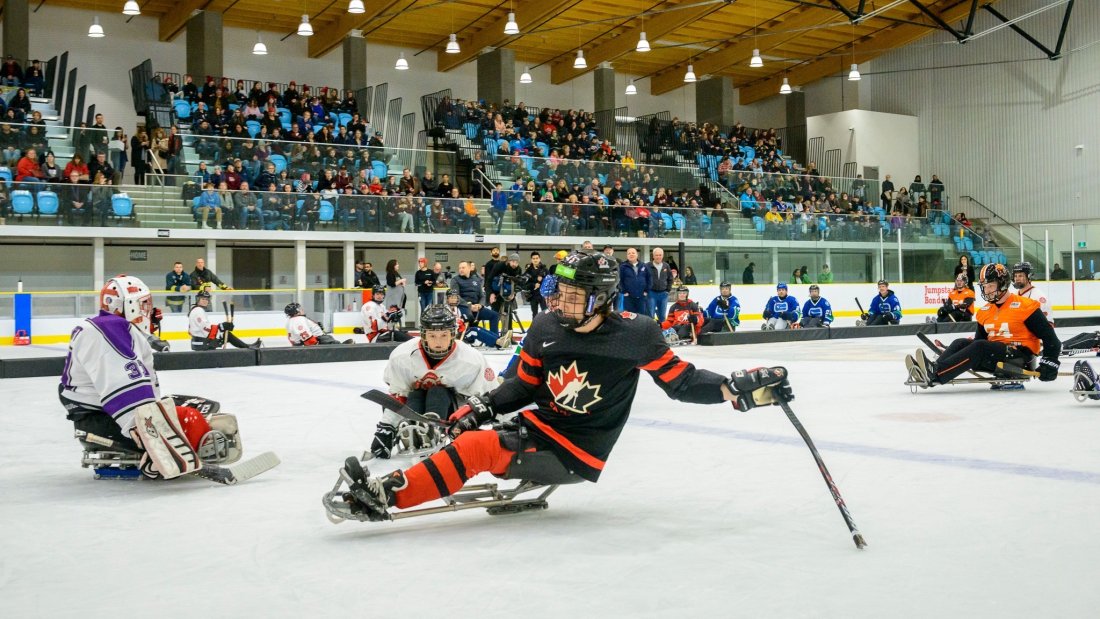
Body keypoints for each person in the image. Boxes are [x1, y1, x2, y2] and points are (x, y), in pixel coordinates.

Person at [325, 250, 795, 523]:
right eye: (560, 291)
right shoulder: (546, 326)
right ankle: (419, 466)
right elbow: (523, 385)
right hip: (539, 424)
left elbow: (682, 382)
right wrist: (482, 407)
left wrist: (737, 389)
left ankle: (384, 495)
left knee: (474, 450)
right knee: (471, 431)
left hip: (577, 451)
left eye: (573, 294)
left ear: (602, 298)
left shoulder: (637, 333)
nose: (559, 300)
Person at [59, 275, 235, 480]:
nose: (147, 310)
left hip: (100, 412)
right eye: (143, 304)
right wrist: (151, 439)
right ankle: (179, 446)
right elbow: (124, 391)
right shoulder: (107, 329)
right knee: (192, 419)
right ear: (126, 304)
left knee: (204, 406)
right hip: (100, 419)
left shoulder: (116, 328)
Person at [369, 304, 498, 459]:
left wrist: (502, 427)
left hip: (453, 413)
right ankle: (412, 426)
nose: (438, 342)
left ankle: (433, 426)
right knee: (416, 393)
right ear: (423, 335)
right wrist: (385, 427)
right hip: (413, 403)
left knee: (438, 391)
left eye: (444, 335)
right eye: (432, 336)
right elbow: (399, 394)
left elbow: (487, 398)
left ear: (452, 334)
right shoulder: (402, 356)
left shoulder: (471, 360)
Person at [907, 264, 1060, 388]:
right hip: (996, 357)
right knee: (961, 342)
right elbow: (978, 342)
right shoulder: (985, 311)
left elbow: (1051, 338)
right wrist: (958, 353)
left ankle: (937, 372)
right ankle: (934, 369)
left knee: (980, 346)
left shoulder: (1026, 306)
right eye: (984, 287)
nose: (987, 291)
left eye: (991, 286)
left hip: (1020, 358)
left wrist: (1050, 362)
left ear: (1003, 284)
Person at [187, 288, 261, 351]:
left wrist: (221, 327)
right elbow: (206, 328)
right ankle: (247, 347)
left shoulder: (196, 309)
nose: (205, 301)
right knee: (226, 334)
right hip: (202, 343)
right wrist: (221, 327)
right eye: (203, 299)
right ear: (198, 299)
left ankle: (247, 346)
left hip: (198, 342)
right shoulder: (198, 311)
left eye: (207, 299)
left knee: (225, 334)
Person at [445, 289, 510, 349]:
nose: (453, 299)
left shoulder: (457, 309)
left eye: (455, 297)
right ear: (447, 299)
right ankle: (498, 342)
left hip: (461, 332)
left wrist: (467, 322)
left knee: (479, 328)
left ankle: (499, 339)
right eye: (451, 297)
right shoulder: (445, 310)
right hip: (454, 336)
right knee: (474, 330)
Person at [449, 261, 500, 334]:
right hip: (463, 308)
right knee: (470, 319)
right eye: (459, 268)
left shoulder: (476, 280)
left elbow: (482, 295)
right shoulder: (455, 280)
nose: (461, 269)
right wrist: (469, 306)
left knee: (494, 315)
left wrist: (480, 305)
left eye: (463, 268)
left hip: (477, 308)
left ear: (469, 268)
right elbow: (455, 297)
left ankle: (495, 338)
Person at [285, 302, 350, 346]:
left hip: (316, 340)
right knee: (334, 344)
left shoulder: (292, 320)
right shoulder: (298, 320)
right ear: (296, 312)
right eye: (299, 309)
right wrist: (316, 346)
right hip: (319, 341)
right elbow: (305, 335)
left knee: (330, 340)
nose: (302, 309)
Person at [618, 247, 650, 315]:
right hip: (628, 297)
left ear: (637, 254)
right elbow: (620, 280)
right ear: (627, 256)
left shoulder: (644, 265)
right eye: (629, 253)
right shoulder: (623, 266)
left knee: (641, 316)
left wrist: (646, 291)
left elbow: (649, 279)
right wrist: (624, 291)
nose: (631, 254)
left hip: (642, 296)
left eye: (633, 253)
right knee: (629, 316)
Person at [646, 247, 674, 321]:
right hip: (651, 293)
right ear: (653, 256)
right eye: (656, 255)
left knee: (662, 315)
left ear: (663, 255)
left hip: (663, 294)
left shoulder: (666, 266)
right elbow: (643, 279)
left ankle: (662, 330)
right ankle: (651, 330)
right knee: (650, 314)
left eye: (660, 255)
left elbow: (670, 278)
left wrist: (668, 290)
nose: (658, 257)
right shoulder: (647, 266)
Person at [523, 251, 549, 317]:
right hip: (533, 295)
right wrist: (534, 285)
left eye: (537, 258)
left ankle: (545, 327)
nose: (535, 260)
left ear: (539, 259)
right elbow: (525, 284)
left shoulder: (545, 269)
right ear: (531, 260)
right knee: (534, 314)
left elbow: (549, 281)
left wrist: (542, 280)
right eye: (533, 258)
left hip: (543, 295)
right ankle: (535, 327)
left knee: (545, 312)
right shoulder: (528, 271)